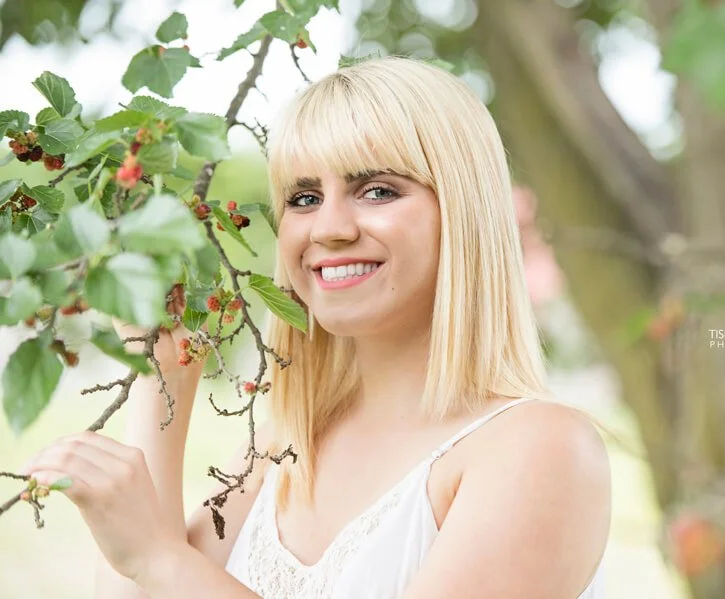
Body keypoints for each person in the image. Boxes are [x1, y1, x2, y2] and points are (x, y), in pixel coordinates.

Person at [19, 56, 611, 598]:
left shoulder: (540, 448)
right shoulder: (284, 450)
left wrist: (161, 558)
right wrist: (161, 378)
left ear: (461, 212)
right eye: (303, 197)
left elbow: (158, 567)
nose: (328, 228)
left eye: (377, 190)